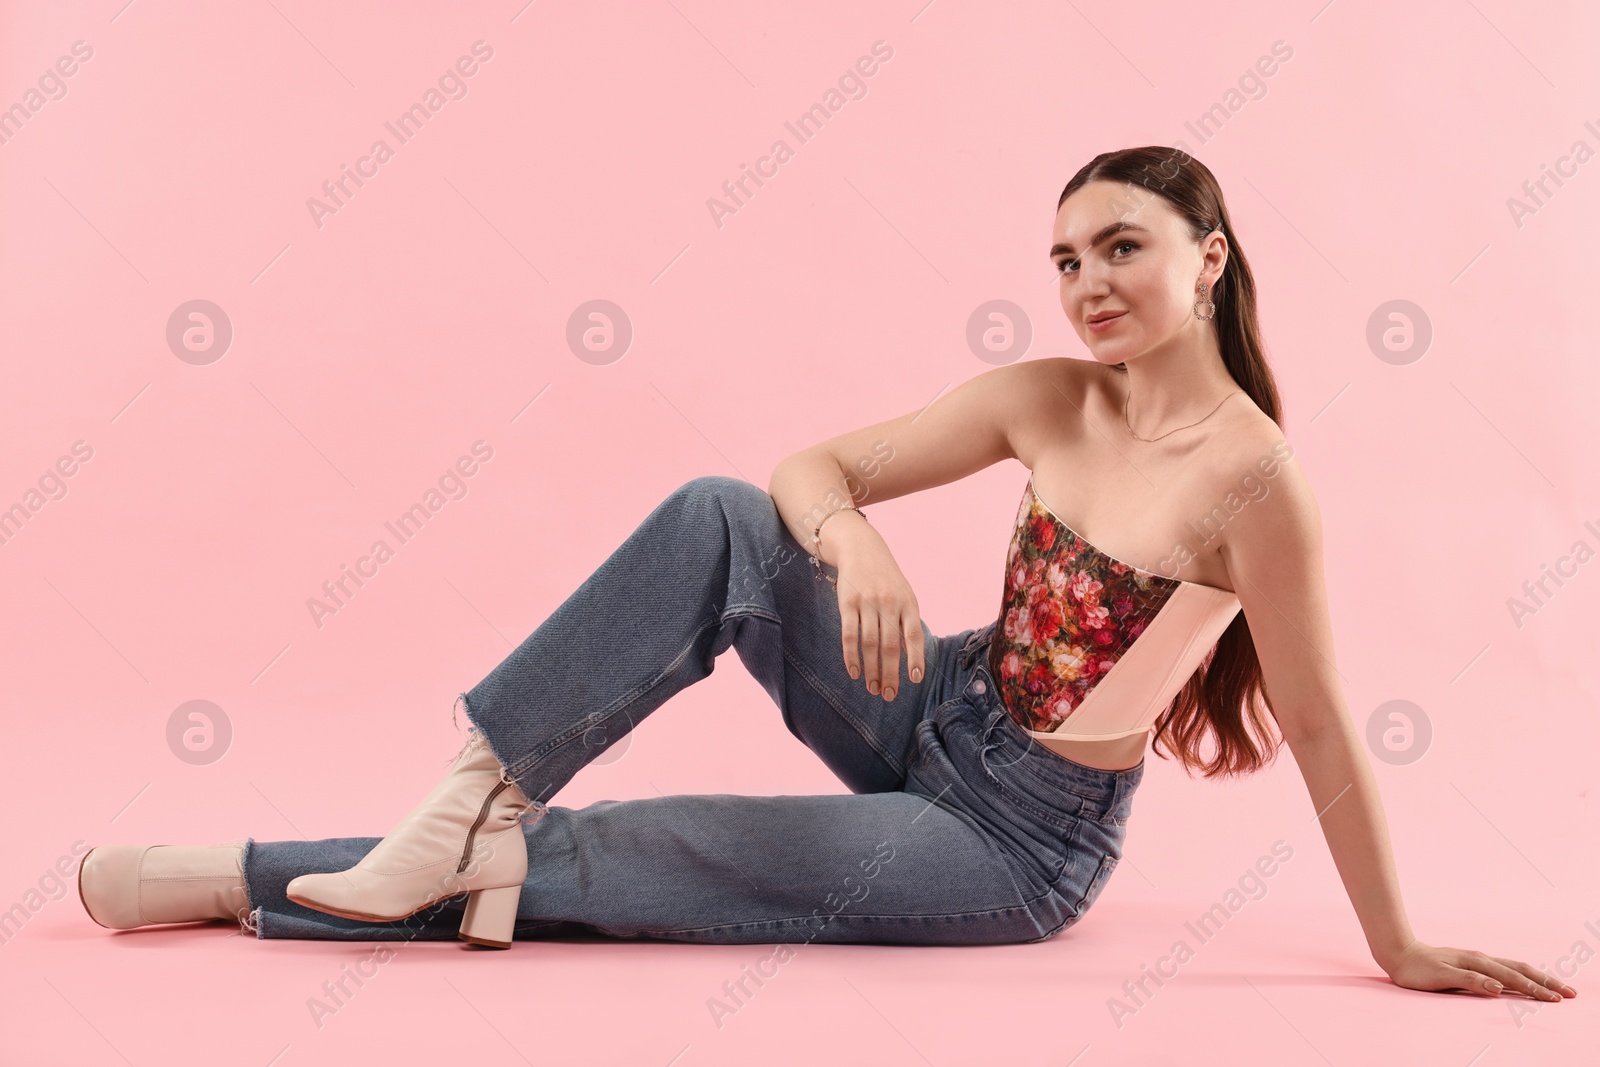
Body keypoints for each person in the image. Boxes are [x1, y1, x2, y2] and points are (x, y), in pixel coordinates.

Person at [77, 146, 1575, 1003]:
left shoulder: (1258, 484)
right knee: (726, 509)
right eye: (1063, 258)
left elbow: (1318, 725)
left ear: (1214, 259)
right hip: (926, 708)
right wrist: (850, 532)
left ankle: (226, 875)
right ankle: (465, 794)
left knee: (639, 853)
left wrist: (1399, 943)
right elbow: (809, 474)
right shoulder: (1047, 396)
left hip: (1014, 845)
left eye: (1122, 247)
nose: (1087, 284)